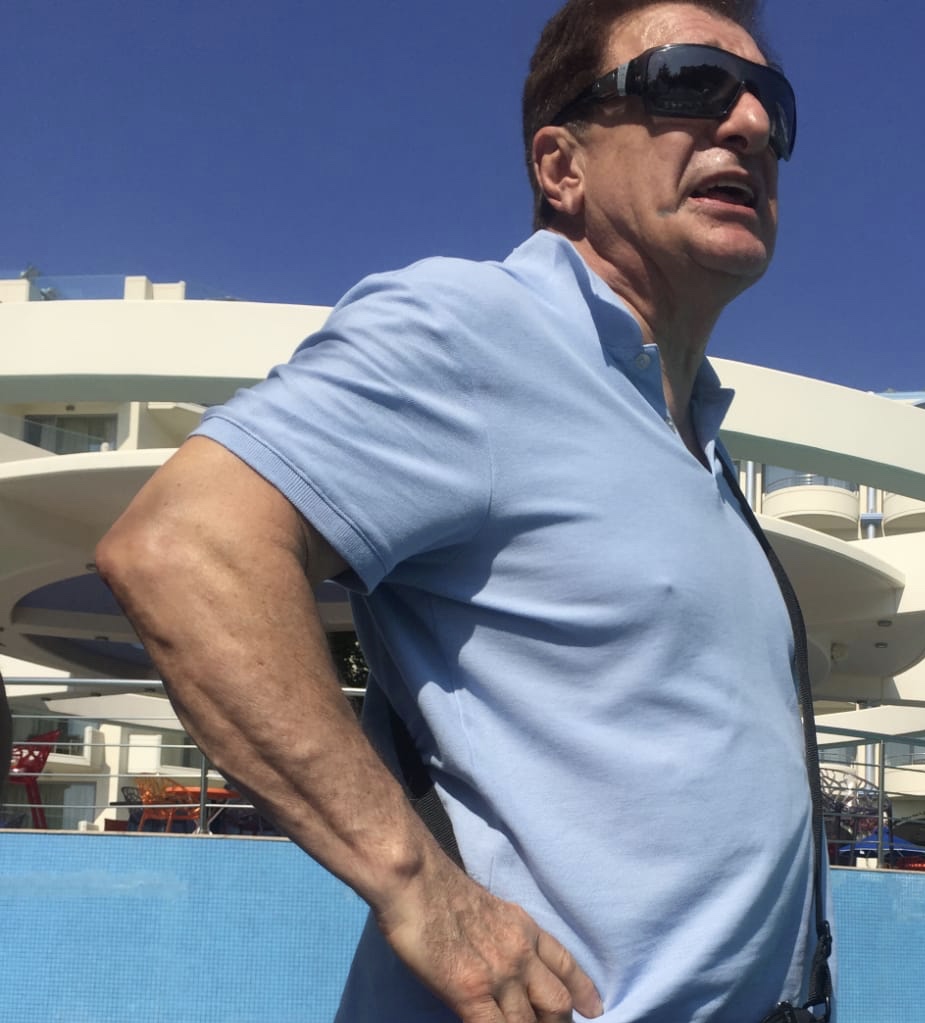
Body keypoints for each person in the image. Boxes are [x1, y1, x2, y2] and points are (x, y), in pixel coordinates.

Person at [96, 1, 833, 1019]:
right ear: (561, 167)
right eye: (691, 82)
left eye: (771, 105)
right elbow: (185, 546)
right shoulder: (480, 330)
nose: (749, 124)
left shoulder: (695, 440)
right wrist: (420, 890)